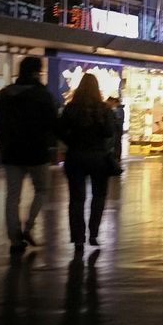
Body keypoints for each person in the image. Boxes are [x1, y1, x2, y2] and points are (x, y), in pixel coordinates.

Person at [0, 55, 59, 253]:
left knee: (12, 196)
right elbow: (52, 124)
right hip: (36, 153)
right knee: (41, 190)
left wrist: (3, 144)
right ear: (35, 72)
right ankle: (29, 227)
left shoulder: (5, 94)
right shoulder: (42, 95)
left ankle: (14, 239)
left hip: (11, 153)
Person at [57, 74, 115, 247]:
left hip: (75, 156)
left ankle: (78, 238)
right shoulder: (104, 109)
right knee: (99, 195)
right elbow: (109, 132)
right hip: (98, 157)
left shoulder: (70, 108)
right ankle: (93, 234)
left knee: (76, 199)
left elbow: (59, 131)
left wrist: (70, 141)